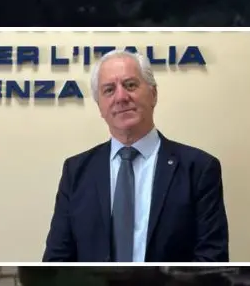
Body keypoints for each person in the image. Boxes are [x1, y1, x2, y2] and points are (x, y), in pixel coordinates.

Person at [42, 49, 229, 263]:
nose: (121, 97)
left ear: (153, 94)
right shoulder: (75, 171)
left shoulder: (199, 169)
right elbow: (57, 261)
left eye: (130, 85)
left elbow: (212, 257)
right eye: (109, 90)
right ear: (100, 106)